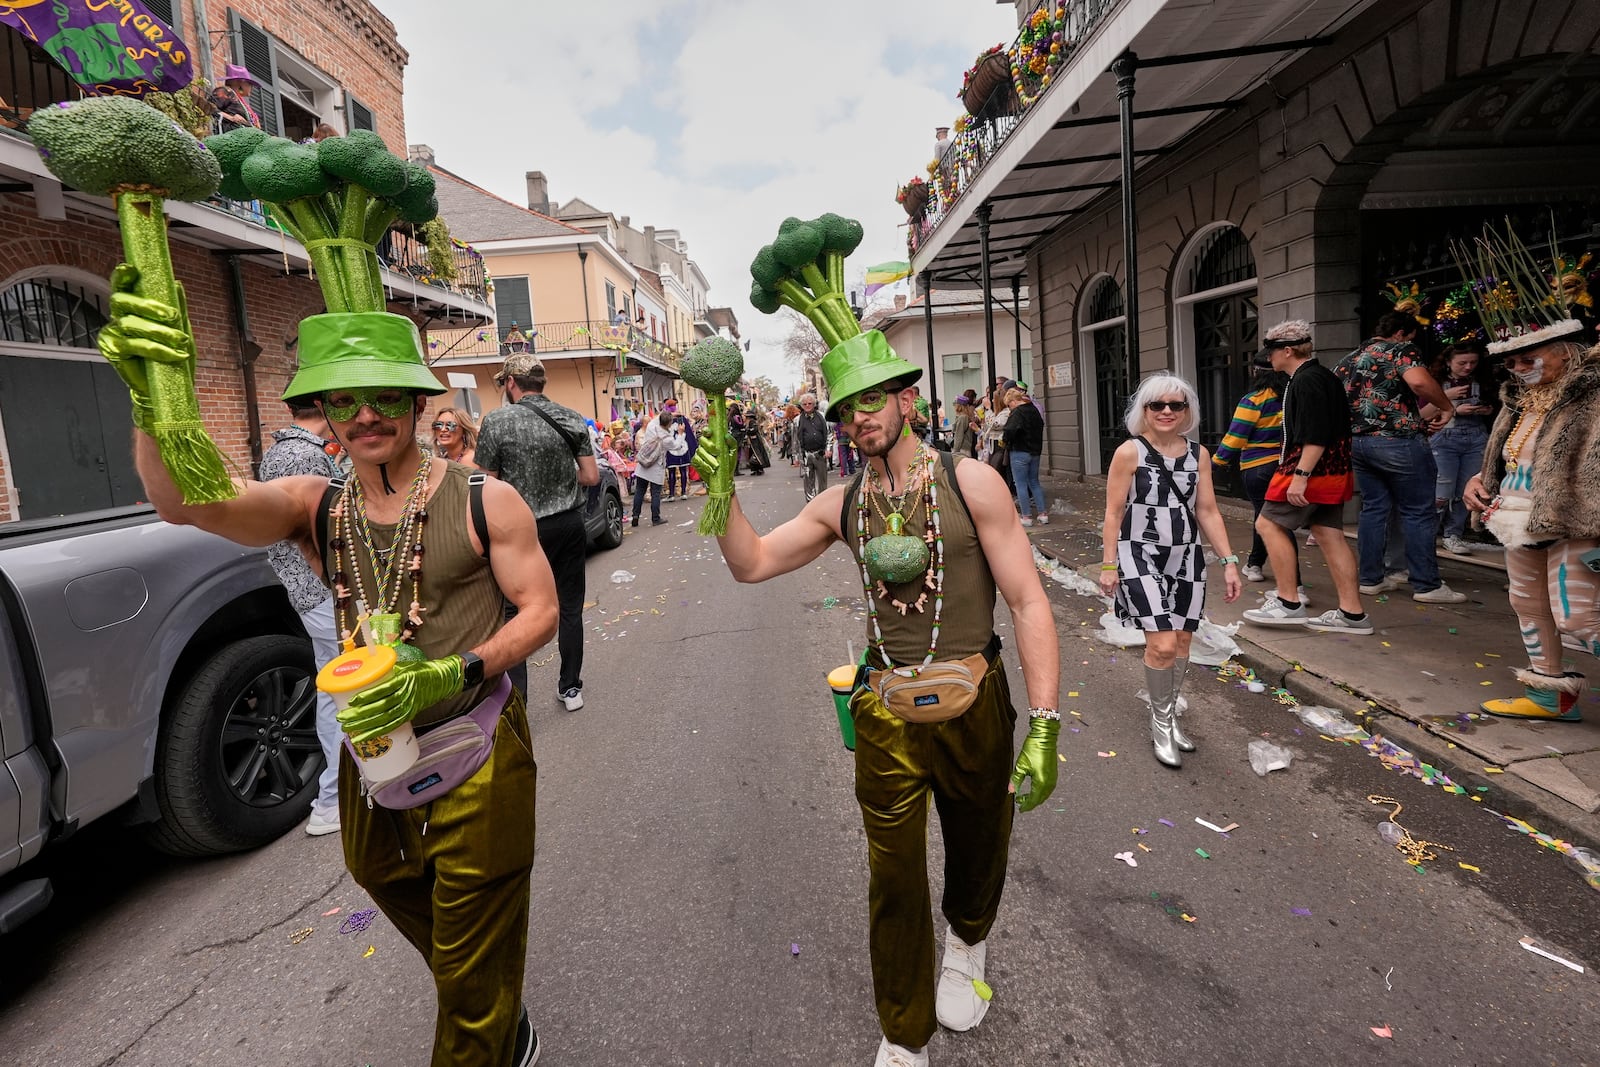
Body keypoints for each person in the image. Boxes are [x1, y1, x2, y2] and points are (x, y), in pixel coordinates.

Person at [120, 299, 557, 1067]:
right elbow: (182, 501)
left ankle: (483, 1021)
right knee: (381, 873)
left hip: (477, 736)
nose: (365, 414)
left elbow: (541, 610)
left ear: (420, 403)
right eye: (343, 399)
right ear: (322, 412)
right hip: (374, 744)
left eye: (385, 394)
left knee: (468, 940)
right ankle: (487, 994)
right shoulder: (313, 507)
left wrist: (455, 670)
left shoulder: (489, 499)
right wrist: (151, 396)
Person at [695, 330, 1059, 1067]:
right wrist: (721, 488)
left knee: (979, 844)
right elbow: (752, 563)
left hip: (974, 698)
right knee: (892, 877)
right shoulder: (843, 502)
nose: (859, 420)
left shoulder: (971, 482)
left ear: (904, 399)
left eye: (870, 402)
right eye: (845, 410)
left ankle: (967, 939)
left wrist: (1047, 722)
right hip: (887, 708)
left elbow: (1026, 600)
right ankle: (902, 1031)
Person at [1101, 374, 1242, 766]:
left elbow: (1207, 510)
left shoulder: (1198, 455)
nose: (1166, 412)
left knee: (1181, 643)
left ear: (1186, 412)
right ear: (1143, 410)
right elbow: (1114, 511)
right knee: (1161, 644)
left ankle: (1169, 713)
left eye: (1175, 406)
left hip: (1186, 555)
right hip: (1138, 553)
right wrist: (1109, 563)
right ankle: (1161, 723)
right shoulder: (1129, 452)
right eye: (1157, 405)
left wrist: (1229, 562)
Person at [1465, 335, 1600, 722]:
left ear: (1565, 351)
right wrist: (1478, 480)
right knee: (1527, 605)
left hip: (1577, 521)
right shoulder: (1519, 400)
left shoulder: (1593, 395)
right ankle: (1548, 696)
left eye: (1529, 359)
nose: (1520, 369)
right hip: (1516, 515)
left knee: (1579, 619)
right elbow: (1511, 456)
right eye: (1512, 363)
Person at [477, 352, 599, 713]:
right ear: (541, 382)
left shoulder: (496, 422)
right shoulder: (571, 416)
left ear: (511, 383)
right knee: (570, 608)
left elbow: (486, 483)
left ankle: (518, 702)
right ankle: (571, 687)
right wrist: (558, 483)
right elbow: (591, 477)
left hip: (520, 531)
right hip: (568, 525)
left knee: (515, 613)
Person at [1242, 320, 1373, 635]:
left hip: (1311, 466)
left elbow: (1315, 433)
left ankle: (1288, 602)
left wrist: (1300, 475)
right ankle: (1352, 615)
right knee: (1329, 534)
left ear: (1287, 350)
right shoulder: (1319, 377)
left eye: (1272, 352)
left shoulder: (1306, 380)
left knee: (1267, 523)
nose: (1269, 359)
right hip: (1332, 466)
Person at [1334, 312, 1467, 603]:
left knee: (1373, 509)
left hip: (1358, 442)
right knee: (1418, 511)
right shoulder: (1401, 350)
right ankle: (1426, 584)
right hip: (1398, 439)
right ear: (1401, 333)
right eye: (1412, 337)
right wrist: (1446, 406)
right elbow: (1419, 383)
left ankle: (1371, 578)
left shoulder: (1348, 359)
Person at [257, 397, 344, 836]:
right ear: (327, 410)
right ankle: (336, 798)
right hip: (326, 593)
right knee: (348, 691)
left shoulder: (284, 452)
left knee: (335, 692)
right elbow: (328, 531)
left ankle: (336, 798)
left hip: (315, 594)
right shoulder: (303, 456)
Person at [1211, 350, 1300, 589]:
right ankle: (1255, 564)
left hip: (1258, 468)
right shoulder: (1291, 397)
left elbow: (1236, 436)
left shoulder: (1253, 400)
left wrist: (1216, 462)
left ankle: (1295, 586)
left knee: (1274, 522)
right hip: (1288, 467)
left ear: (1256, 372)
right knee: (1266, 517)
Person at [1422, 340, 1497, 555]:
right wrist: (1450, 404)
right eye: (1462, 363)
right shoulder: (1434, 381)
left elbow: (1497, 406)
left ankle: (1453, 534)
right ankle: (1428, 534)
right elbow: (1422, 414)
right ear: (1448, 362)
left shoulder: (1482, 381)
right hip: (1444, 439)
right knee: (1442, 490)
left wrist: (1486, 409)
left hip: (1476, 438)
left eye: (1473, 362)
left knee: (1467, 488)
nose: (1468, 367)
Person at [1002, 385, 1046, 525]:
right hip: (1035, 451)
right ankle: (1043, 514)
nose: (1010, 408)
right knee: (1034, 482)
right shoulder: (1034, 410)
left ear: (1013, 401)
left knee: (1020, 484)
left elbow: (1009, 431)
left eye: (1009, 405)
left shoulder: (1017, 412)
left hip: (1020, 451)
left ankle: (1026, 517)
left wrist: (1005, 440)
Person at [631, 411, 672, 526]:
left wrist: (665, 413)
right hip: (657, 466)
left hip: (644, 463)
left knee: (639, 491)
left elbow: (656, 419)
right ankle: (655, 518)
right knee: (656, 493)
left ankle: (635, 516)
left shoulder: (650, 426)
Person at [794, 392, 830, 500]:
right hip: (806, 455)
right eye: (805, 404)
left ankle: (822, 502)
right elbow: (795, 440)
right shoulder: (797, 420)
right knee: (808, 480)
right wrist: (796, 457)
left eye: (810, 403)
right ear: (801, 406)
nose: (807, 406)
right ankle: (811, 504)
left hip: (820, 453)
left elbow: (829, 433)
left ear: (814, 404)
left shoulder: (822, 417)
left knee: (823, 481)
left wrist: (828, 449)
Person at [212, 64, 261, 131]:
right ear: (241, 82)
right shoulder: (225, 92)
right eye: (250, 84)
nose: (251, 87)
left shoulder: (240, 101)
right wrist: (231, 118)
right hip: (229, 136)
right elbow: (210, 107)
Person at [665, 413, 695, 500]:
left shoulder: (667, 420)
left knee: (672, 471)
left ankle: (672, 494)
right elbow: (689, 434)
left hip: (674, 447)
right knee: (682, 470)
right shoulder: (682, 420)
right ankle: (682, 493)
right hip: (681, 447)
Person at [949, 394, 975, 459]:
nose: (954, 406)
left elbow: (959, 436)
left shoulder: (962, 418)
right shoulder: (966, 416)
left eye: (955, 403)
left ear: (959, 405)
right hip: (965, 449)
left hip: (962, 450)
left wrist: (955, 452)